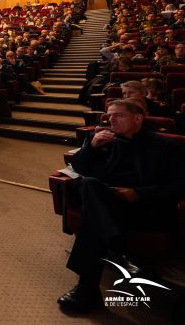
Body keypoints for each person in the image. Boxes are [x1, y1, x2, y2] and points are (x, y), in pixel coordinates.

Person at [57, 99, 185, 313]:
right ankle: (114, 242)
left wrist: (138, 193)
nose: (110, 119)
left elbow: (179, 186)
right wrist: (92, 147)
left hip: (145, 207)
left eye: (118, 115)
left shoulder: (167, 146)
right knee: (89, 185)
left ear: (138, 118)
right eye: (108, 115)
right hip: (107, 201)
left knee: (93, 217)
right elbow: (77, 167)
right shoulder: (102, 140)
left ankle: (86, 288)